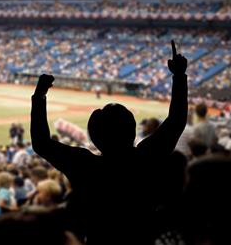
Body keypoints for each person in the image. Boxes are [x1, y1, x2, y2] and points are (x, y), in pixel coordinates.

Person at [31, 40, 188, 244]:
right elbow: (176, 121)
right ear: (132, 131)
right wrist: (179, 76)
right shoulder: (146, 157)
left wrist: (39, 95)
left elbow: (41, 143)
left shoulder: (85, 165)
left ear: (95, 137)